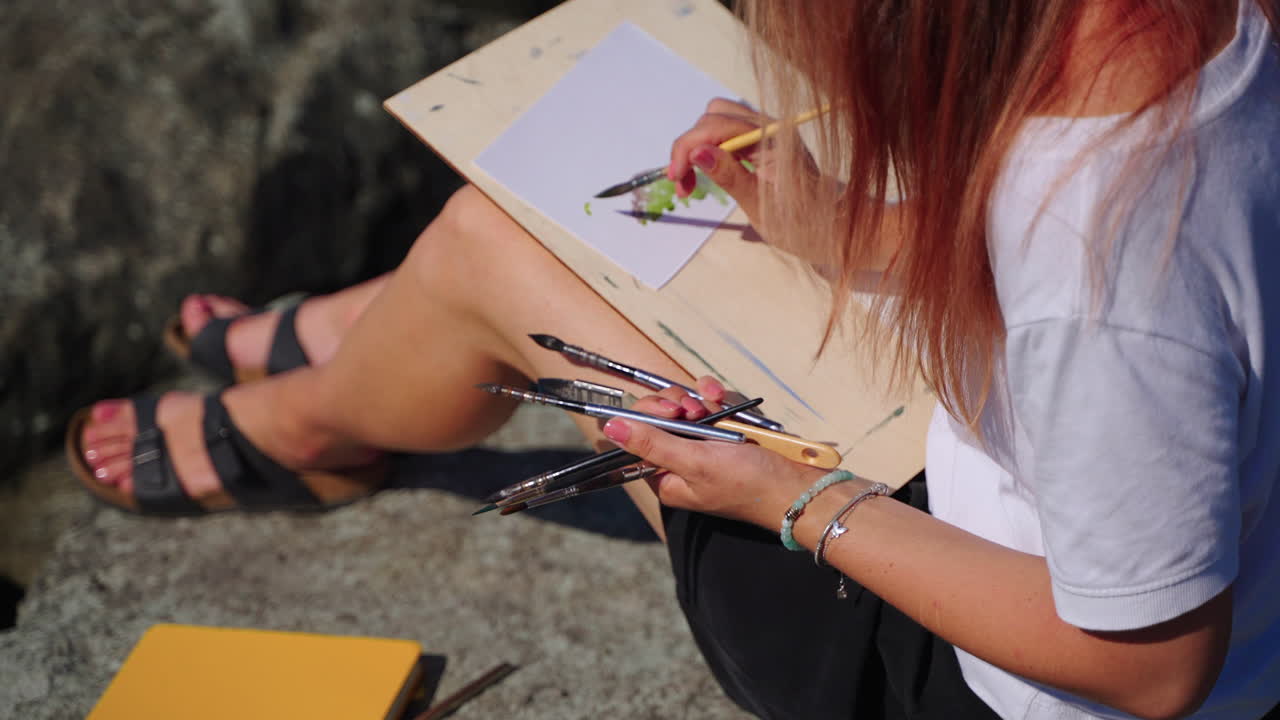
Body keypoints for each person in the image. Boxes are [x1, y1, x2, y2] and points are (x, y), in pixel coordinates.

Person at [67, 1, 1280, 718]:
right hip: (1014, 488)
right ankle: (337, 339)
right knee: (586, 239)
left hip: (952, 677)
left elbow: (1153, 661)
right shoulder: (1191, 32)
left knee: (492, 243)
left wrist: (793, 500)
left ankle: (311, 422)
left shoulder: (1095, 262)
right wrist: (847, 224)